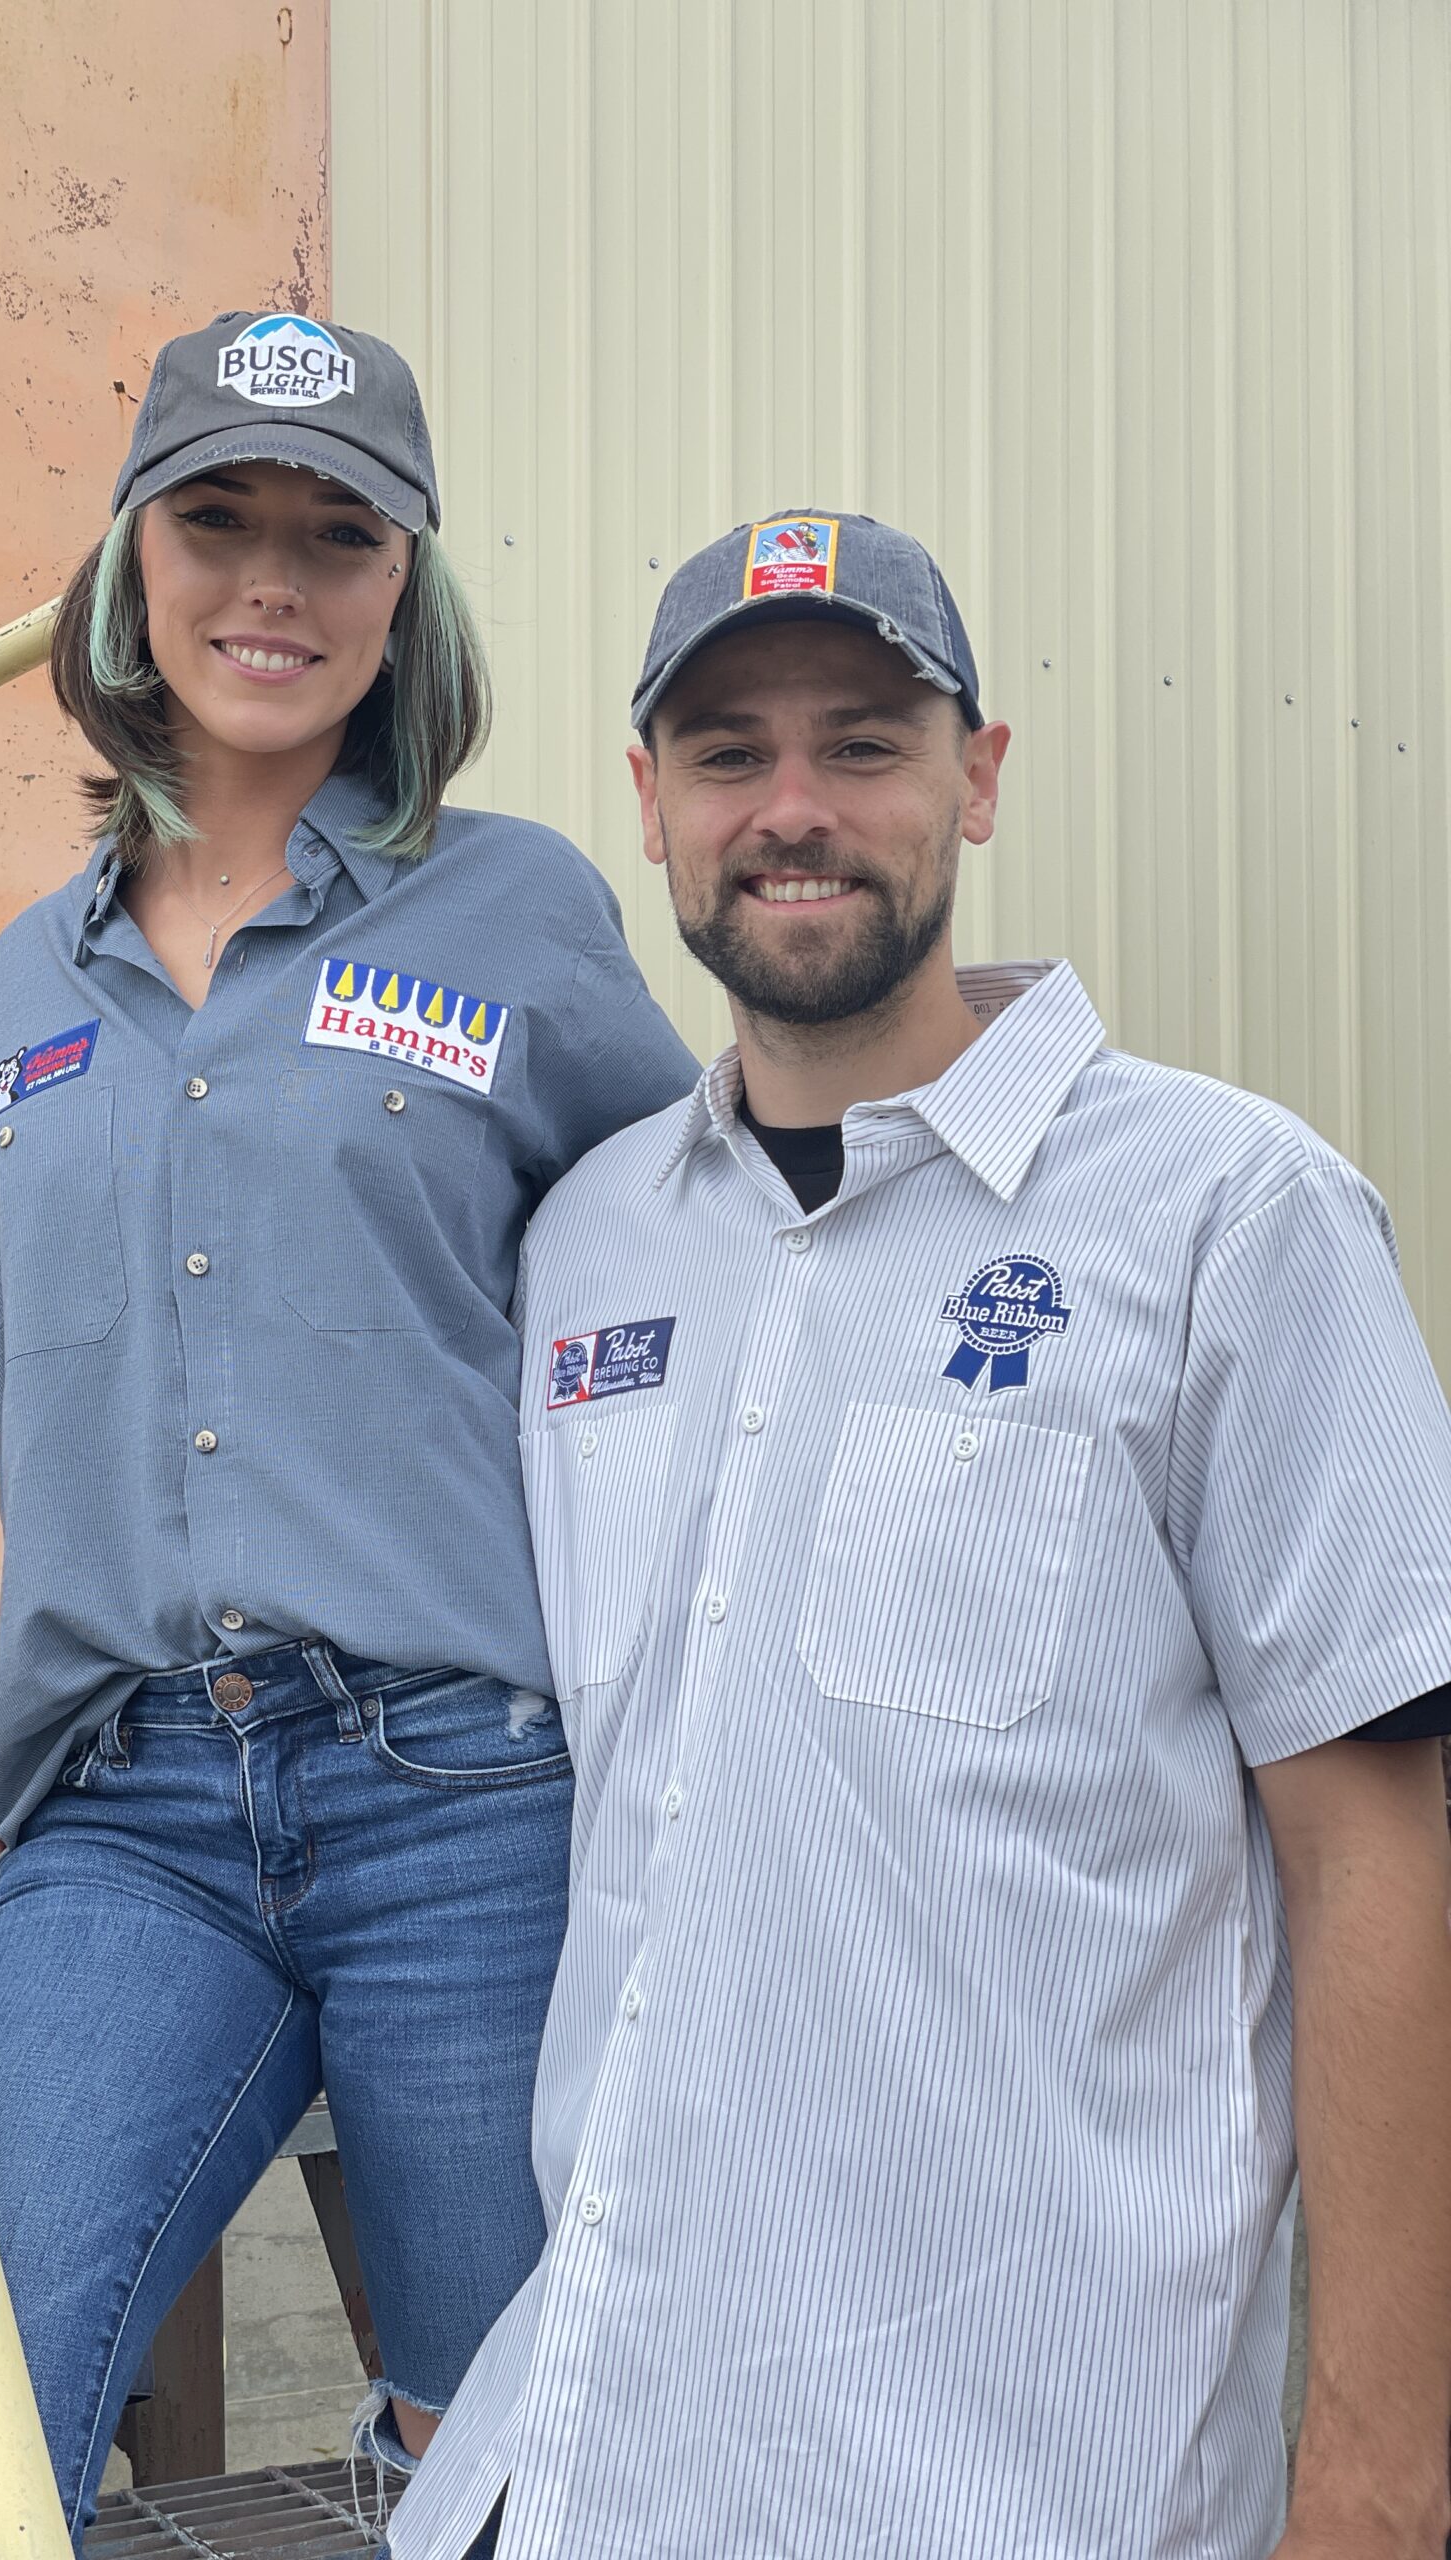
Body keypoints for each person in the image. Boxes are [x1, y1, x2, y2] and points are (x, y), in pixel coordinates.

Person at [0, 311, 697, 2554]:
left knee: (503, 2488)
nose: (274, 581)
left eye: (335, 534)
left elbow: (704, 1293)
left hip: (465, 1798)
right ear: (134, 564)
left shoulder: (524, 918)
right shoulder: (9, 999)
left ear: (405, 589)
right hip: (117, 1826)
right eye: (220, 521)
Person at [384, 511, 1451, 2560]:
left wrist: (1382, 2488)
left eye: (864, 743)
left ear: (979, 775)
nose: (795, 810)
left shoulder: (1231, 1214)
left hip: (1033, 2476)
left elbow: (1373, 1854)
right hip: (585, 2452)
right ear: (650, 808)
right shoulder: (588, 1239)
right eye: (728, 753)